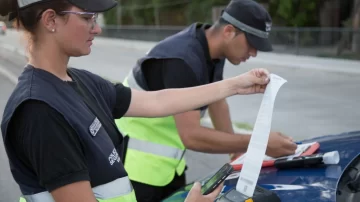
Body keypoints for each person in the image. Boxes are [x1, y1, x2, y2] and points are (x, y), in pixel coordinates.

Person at [0, 0, 273, 201]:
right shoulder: (39, 110)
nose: (97, 29)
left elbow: (157, 102)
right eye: (87, 18)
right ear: (50, 20)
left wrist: (236, 85)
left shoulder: (81, 80)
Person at [114, 0, 298, 201]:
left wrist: (235, 152)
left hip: (167, 168)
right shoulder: (183, 60)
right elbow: (191, 135)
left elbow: (217, 102)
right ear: (228, 32)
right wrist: (258, 143)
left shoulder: (210, 51)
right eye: (252, 44)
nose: (254, 53)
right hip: (136, 170)